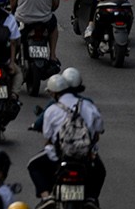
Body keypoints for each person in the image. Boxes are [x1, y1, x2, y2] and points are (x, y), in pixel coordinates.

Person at [26, 69, 105, 202]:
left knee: (33, 165)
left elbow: (48, 135)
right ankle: (91, 199)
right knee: (100, 172)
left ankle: (46, 198)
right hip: (85, 157)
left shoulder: (52, 109)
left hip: (58, 156)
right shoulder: (88, 105)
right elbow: (99, 129)